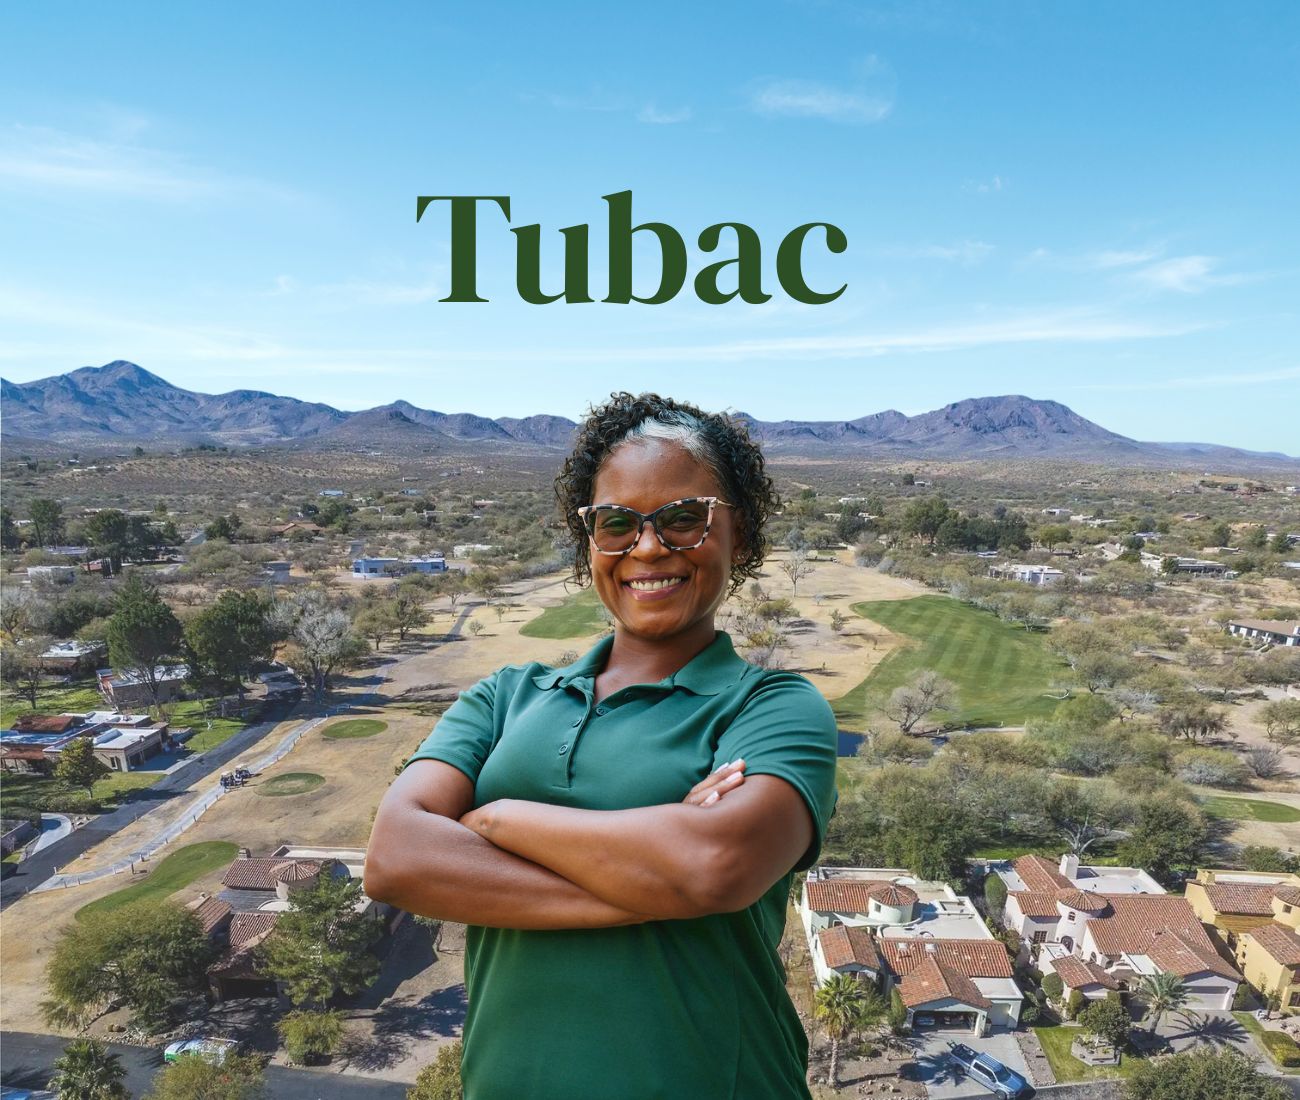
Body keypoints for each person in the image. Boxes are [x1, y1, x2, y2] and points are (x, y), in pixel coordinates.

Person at [365, 393, 839, 1099]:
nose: (648, 547)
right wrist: (653, 876)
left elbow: (712, 865)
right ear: (590, 541)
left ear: (739, 533)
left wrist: (495, 822)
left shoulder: (771, 708)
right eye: (617, 523)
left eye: (685, 517)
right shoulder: (506, 696)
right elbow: (396, 859)